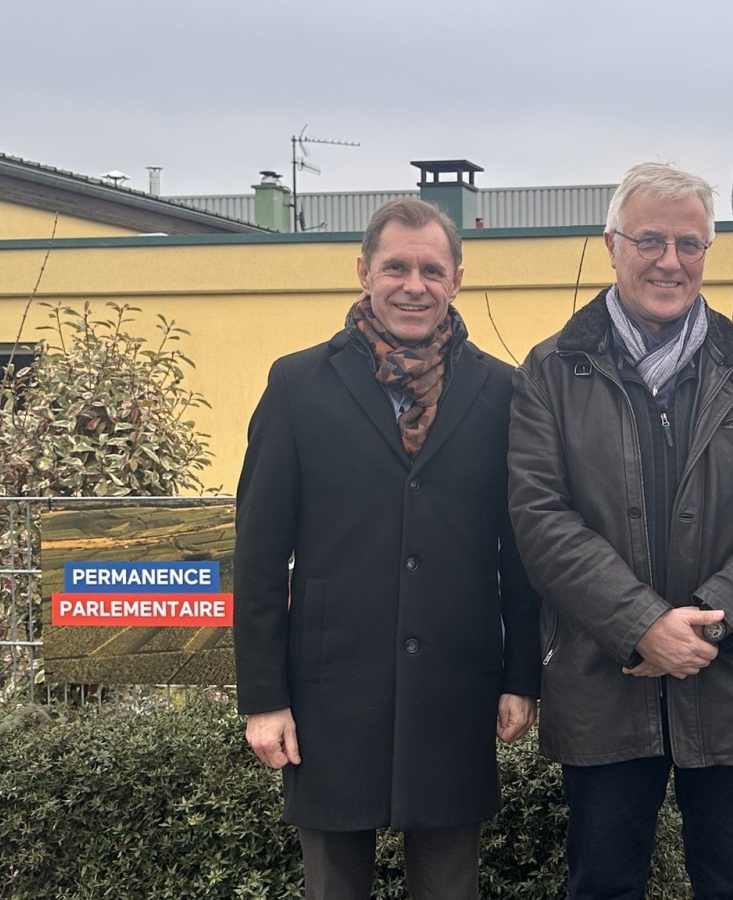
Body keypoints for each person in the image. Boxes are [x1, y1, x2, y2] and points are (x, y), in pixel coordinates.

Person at [507, 162, 733, 900]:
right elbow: (540, 519)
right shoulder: (550, 373)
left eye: (689, 243)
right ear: (611, 245)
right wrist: (641, 625)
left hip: (729, 680)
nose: (669, 261)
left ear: (707, 252)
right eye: (650, 240)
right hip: (602, 680)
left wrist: (705, 629)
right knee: (603, 884)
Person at [233, 198, 540, 900]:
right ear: (364, 271)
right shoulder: (298, 385)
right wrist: (263, 698)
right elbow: (258, 557)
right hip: (329, 693)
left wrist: (521, 675)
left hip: (456, 690)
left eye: (432, 270)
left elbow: (521, 550)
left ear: (457, 279)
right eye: (396, 267)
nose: (414, 285)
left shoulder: (501, 391)